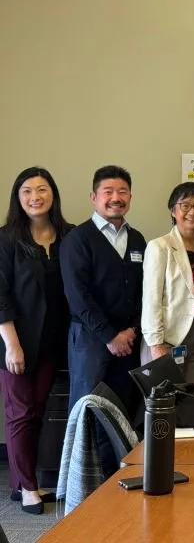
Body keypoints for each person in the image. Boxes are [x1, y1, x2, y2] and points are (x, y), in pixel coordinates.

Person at [0, 167, 72, 514]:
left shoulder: (68, 235)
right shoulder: (6, 238)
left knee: (38, 412)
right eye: (27, 190)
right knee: (20, 413)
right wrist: (11, 343)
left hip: (52, 342)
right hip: (16, 340)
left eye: (41, 189)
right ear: (18, 197)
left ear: (53, 194)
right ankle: (28, 487)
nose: (34, 197)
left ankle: (21, 482)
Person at [60, 165, 146, 417]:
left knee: (123, 413)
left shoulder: (137, 239)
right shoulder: (78, 239)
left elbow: (145, 291)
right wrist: (110, 336)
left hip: (129, 341)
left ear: (130, 197)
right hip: (91, 339)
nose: (116, 198)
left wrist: (132, 329)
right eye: (108, 191)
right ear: (94, 197)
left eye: (122, 191)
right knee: (88, 413)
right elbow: (77, 295)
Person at [141, 182, 194, 383]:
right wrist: (156, 344)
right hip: (169, 338)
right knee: (164, 397)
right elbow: (151, 299)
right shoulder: (159, 246)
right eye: (185, 205)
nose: (192, 211)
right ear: (173, 210)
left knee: (192, 395)